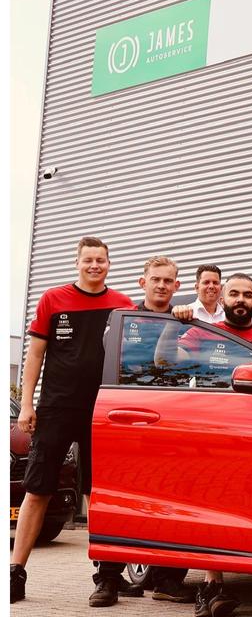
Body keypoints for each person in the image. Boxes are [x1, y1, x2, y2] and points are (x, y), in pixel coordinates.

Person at [10, 237, 135, 607]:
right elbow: (35, 355)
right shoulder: (53, 299)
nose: (94, 265)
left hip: (103, 410)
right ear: (77, 262)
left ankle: (107, 577)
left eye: (101, 260)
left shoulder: (123, 304)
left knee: (99, 493)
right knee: (38, 489)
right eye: (88, 260)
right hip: (56, 407)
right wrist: (27, 404)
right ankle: (15, 573)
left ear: (109, 264)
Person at [166, 272, 252, 617]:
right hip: (214, 431)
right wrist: (173, 325)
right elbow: (165, 362)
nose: (240, 300)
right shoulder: (204, 331)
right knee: (213, 505)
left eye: (247, 294)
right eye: (234, 294)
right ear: (223, 299)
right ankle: (211, 586)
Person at [119, 257, 198, 604]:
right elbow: (114, 359)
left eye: (168, 281)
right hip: (129, 419)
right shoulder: (124, 320)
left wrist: (179, 323)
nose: (162, 285)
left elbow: (182, 363)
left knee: (174, 500)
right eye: (156, 279)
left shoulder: (185, 322)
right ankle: (107, 578)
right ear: (143, 282)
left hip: (171, 421)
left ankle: (167, 580)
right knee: (125, 500)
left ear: (177, 286)